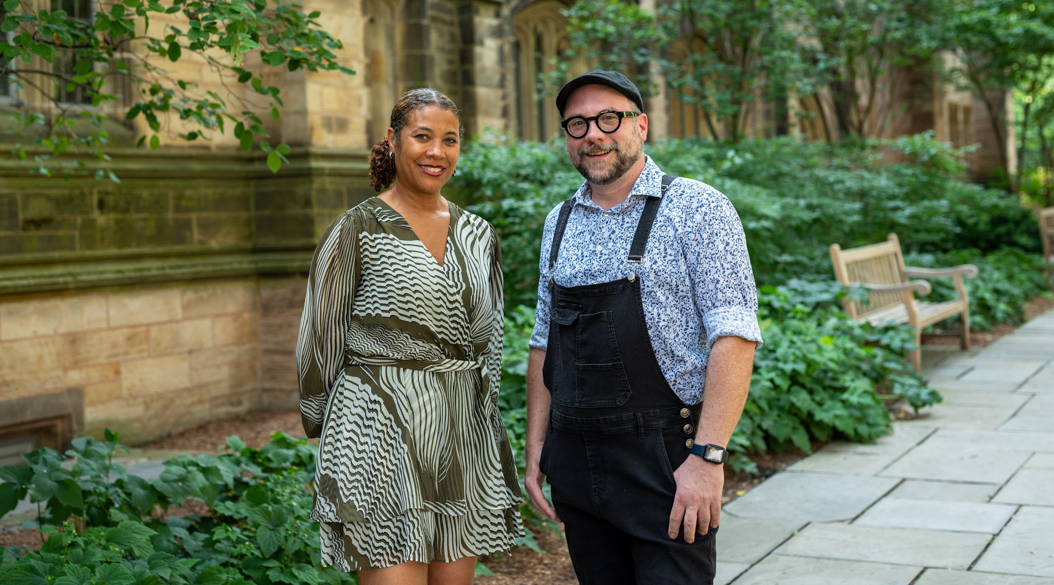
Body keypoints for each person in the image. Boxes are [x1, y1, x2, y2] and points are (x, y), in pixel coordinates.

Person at [524, 70, 762, 585]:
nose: (593, 134)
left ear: (641, 126)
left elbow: (736, 336)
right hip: (576, 459)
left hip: (666, 463)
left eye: (609, 118)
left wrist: (707, 457)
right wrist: (537, 448)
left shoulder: (698, 208)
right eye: (577, 123)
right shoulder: (558, 222)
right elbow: (544, 344)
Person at [296, 88, 524, 585]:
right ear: (394, 141)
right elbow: (319, 340)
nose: (437, 151)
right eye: (422, 137)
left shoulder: (479, 235)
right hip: (379, 433)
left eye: (450, 140)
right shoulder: (355, 230)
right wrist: (325, 431)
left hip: (462, 434)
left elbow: (491, 340)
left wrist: (486, 426)